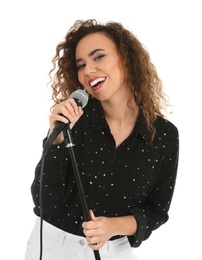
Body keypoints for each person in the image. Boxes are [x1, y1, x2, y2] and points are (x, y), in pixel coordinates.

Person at [24, 19, 179, 260]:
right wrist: (55, 140)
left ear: (126, 59)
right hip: (57, 247)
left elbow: (157, 211)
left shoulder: (164, 135)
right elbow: (44, 203)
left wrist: (113, 227)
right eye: (81, 65)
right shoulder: (74, 120)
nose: (88, 70)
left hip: (116, 252)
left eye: (98, 57)